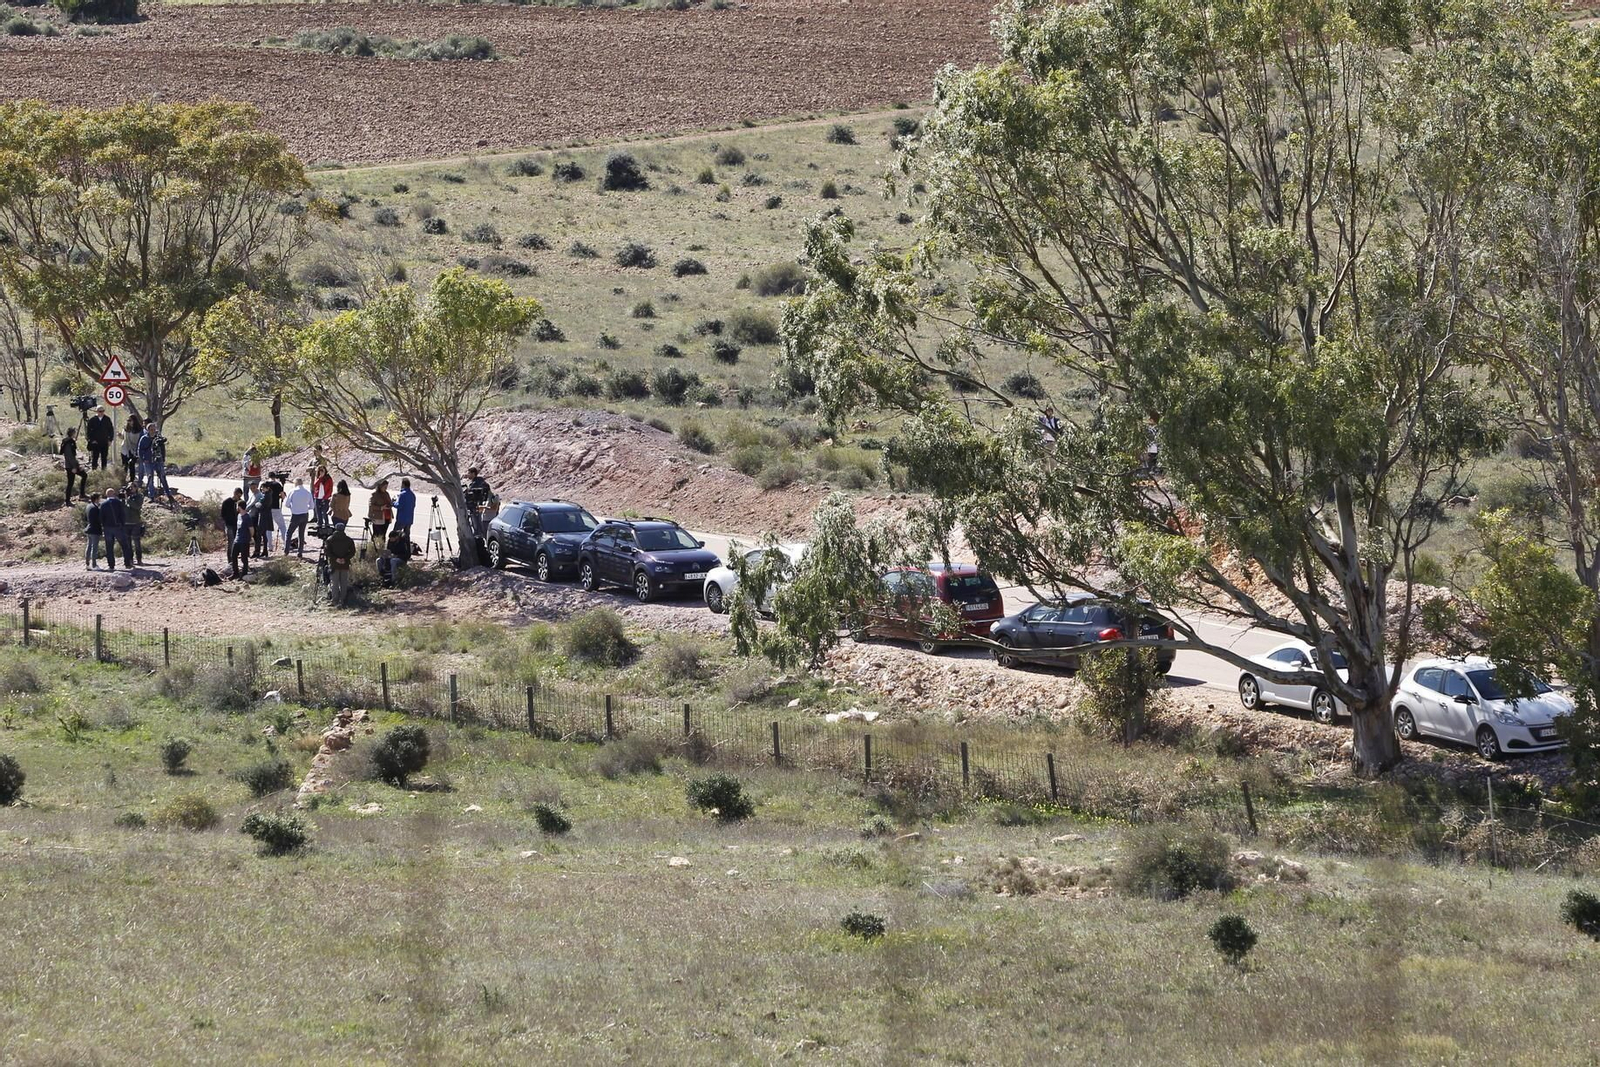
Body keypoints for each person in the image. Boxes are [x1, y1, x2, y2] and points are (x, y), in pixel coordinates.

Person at [324, 521, 357, 606]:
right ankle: (343, 600)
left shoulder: (330, 539)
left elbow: (327, 552)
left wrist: (336, 559)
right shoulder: (349, 540)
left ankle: (335, 600)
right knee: (343, 583)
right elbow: (352, 552)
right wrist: (345, 559)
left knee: (334, 583)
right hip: (345, 564)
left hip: (334, 564)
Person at [100, 487, 132, 571]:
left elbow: (101, 518)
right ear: (114, 494)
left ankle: (111, 565)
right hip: (118, 527)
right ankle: (127, 563)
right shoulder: (118, 503)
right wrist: (122, 524)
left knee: (109, 547)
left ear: (106, 494)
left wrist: (104, 526)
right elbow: (123, 515)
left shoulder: (103, 505)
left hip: (108, 528)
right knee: (124, 545)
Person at [285, 478, 313, 556]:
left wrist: (293, 507)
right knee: (301, 534)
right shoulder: (307, 492)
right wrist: (304, 507)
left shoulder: (292, 491)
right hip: (305, 514)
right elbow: (312, 506)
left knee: (289, 533)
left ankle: (286, 551)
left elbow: (287, 504)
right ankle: (300, 552)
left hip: (295, 515)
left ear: (295, 483)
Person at [61, 428, 87, 504]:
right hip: (70, 466)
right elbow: (69, 456)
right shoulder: (69, 443)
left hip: (71, 465)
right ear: (72, 433)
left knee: (84, 475)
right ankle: (67, 500)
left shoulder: (67, 441)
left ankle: (81, 494)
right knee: (70, 483)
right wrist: (74, 467)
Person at [229, 505, 255, 579]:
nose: (236, 508)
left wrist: (250, 537)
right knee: (233, 556)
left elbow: (251, 529)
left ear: (240, 507)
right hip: (237, 540)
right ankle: (235, 573)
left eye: (237, 506)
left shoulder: (247, 517)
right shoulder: (239, 516)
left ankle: (244, 574)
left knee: (244, 558)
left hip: (244, 541)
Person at [85, 406, 114, 470]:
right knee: (95, 457)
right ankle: (94, 470)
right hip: (96, 442)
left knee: (104, 458)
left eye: (103, 411)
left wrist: (110, 440)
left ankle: (104, 471)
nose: (102, 413)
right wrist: (92, 440)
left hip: (104, 441)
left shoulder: (107, 419)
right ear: (97, 411)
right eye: (100, 411)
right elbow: (88, 431)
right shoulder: (93, 420)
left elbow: (111, 430)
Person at [124, 483, 145, 565]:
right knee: (128, 543)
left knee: (137, 542)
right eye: (129, 488)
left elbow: (137, 506)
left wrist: (128, 499)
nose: (130, 489)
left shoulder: (139, 496)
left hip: (135, 522)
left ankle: (139, 559)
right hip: (126, 522)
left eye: (132, 488)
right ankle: (130, 559)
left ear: (136, 488)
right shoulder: (126, 496)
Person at [120, 413, 143, 484]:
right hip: (125, 449)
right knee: (124, 465)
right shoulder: (125, 429)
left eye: (130, 420)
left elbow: (138, 440)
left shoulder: (139, 430)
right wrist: (120, 435)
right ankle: (123, 480)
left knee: (131, 465)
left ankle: (132, 480)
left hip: (134, 450)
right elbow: (123, 437)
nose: (129, 422)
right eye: (128, 420)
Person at [368, 478, 393, 543]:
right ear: (380, 486)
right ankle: (373, 548)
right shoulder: (375, 495)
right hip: (378, 518)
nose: (386, 488)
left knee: (383, 534)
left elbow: (389, 502)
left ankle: (381, 548)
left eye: (386, 487)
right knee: (377, 534)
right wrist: (381, 507)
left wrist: (390, 504)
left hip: (387, 517)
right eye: (384, 487)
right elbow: (371, 506)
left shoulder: (386, 494)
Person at [84, 491, 103, 570]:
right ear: (96, 499)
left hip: (89, 528)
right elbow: (99, 519)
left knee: (89, 546)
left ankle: (87, 564)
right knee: (94, 547)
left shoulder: (88, 506)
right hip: (95, 529)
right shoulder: (95, 508)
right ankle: (94, 565)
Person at [137, 421, 156, 500]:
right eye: (151, 429)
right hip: (147, 461)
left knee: (162, 477)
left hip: (157, 460)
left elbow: (162, 449)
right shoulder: (144, 438)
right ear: (148, 430)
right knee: (150, 477)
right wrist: (143, 459)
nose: (153, 431)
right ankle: (151, 495)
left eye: (154, 429)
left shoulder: (157, 438)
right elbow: (140, 450)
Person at [311, 465, 334, 530]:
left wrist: (326, 497)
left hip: (325, 498)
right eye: (320, 470)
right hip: (317, 497)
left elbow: (330, 489)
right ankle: (319, 523)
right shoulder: (318, 478)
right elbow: (315, 485)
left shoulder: (328, 478)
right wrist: (320, 478)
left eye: (322, 470)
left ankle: (326, 524)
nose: (321, 472)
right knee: (318, 511)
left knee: (324, 512)